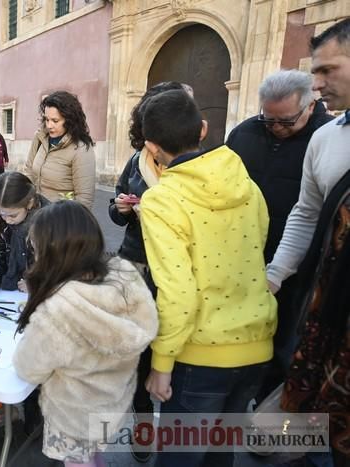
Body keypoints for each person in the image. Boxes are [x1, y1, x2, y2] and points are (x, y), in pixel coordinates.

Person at [138, 89, 276, 467]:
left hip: (201, 355)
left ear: (151, 147)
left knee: (180, 459)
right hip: (256, 344)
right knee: (220, 455)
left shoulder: (161, 200)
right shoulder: (247, 184)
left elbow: (177, 293)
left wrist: (161, 365)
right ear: (203, 129)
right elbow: (257, 250)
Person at [12, 201, 157, 467]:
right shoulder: (123, 278)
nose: (33, 254)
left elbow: (27, 368)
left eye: (35, 248)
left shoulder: (57, 310)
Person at [267, 19, 350, 464]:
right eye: (314, 72)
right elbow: (305, 212)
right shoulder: (326, 139)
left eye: (328, 71)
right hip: (326, 308)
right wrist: (276, 274)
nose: (317, 84)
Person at [226, 70, 334, 400]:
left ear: (309, 105)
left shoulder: (326, 138)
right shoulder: (245, 133)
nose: (275, 128)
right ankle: (233, 395)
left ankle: (267, 410)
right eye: (268, 119)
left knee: (284, 341)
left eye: (285, 122)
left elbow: (311, 214)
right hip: (242, 258)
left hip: (299, 267)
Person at [107, 80, 187, 464]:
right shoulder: (137, 160)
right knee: (137, 353)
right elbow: (115, 205)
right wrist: (121, 208)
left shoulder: (192, 160)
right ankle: (143, 426)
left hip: (176, 271)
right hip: (135, 265)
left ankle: (179, 429)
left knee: (173, 349)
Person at [0, 171, 49, 297]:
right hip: (12, 296)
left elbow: (61, 268)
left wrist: (38, 284)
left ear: (30, 203)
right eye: (1, 213)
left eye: (13, 215)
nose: (7, 220)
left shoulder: (49, 223)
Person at [23, 91, 96, 208]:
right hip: (36, 214)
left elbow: (84, 200)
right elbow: (29, 172)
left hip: (60, 219)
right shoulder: (40, 138)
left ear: (70, 120)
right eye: (47, 119)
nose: (49, 125)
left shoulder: (81, 149)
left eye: (55, 121)